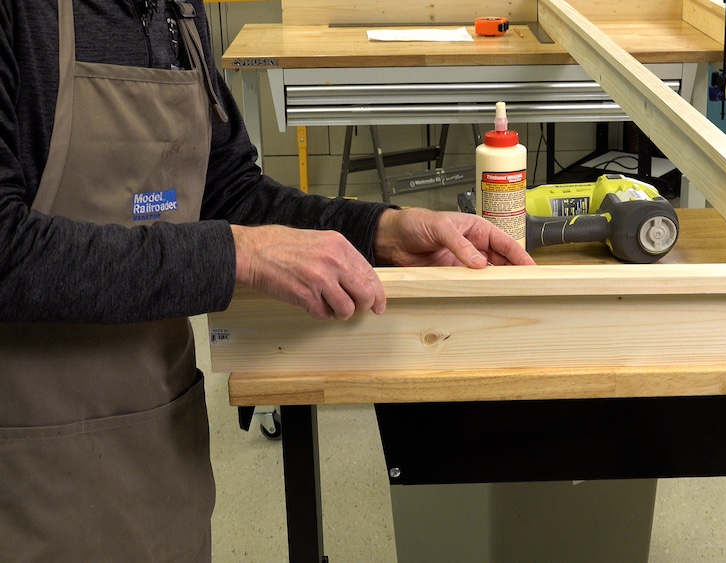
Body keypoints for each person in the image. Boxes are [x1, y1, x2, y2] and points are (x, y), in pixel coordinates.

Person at [0, 0, 534, 560]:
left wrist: (380, 230)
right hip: (26, 460)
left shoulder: (175, 8)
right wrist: (237, 254)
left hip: (155, 439)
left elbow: (230, 191)